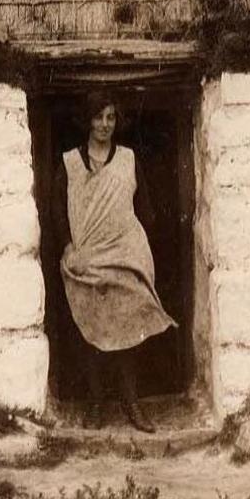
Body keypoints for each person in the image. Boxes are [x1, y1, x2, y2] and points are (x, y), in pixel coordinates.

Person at [54, 92, 176, 432]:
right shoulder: (69, 163)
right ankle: (95, 405)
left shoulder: (128, 159)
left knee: (128, 330)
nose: (104, 124)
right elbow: (57, 212)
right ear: (86, 120)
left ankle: (131, 404)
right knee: (91, 330)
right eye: (98, 117)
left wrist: (133, 244)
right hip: (86, 259)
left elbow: (146, 210)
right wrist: (67, 247)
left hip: (124, 256)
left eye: (110, 117)